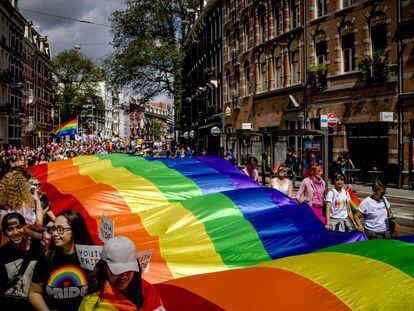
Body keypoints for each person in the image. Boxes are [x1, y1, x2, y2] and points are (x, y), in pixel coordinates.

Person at [29, 210, 94, 311]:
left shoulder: (91, 256)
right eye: (54, 229)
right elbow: (34, 292)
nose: (54, 233)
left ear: (75, 230)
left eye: (60, 229)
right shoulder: (46, 257)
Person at [79, 236, 164, 311]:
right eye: (117, 271)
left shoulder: (149, 293)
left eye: (129, 270)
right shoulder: (92, 303)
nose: (123, 276)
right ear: (105, 268)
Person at [0, 212, 43, 310]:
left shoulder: (38, 249)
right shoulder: (2, 254)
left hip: (35, 305)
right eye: (10, 229)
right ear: (5, 232)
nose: (15, 232)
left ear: (25, 227)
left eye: (18, 227)